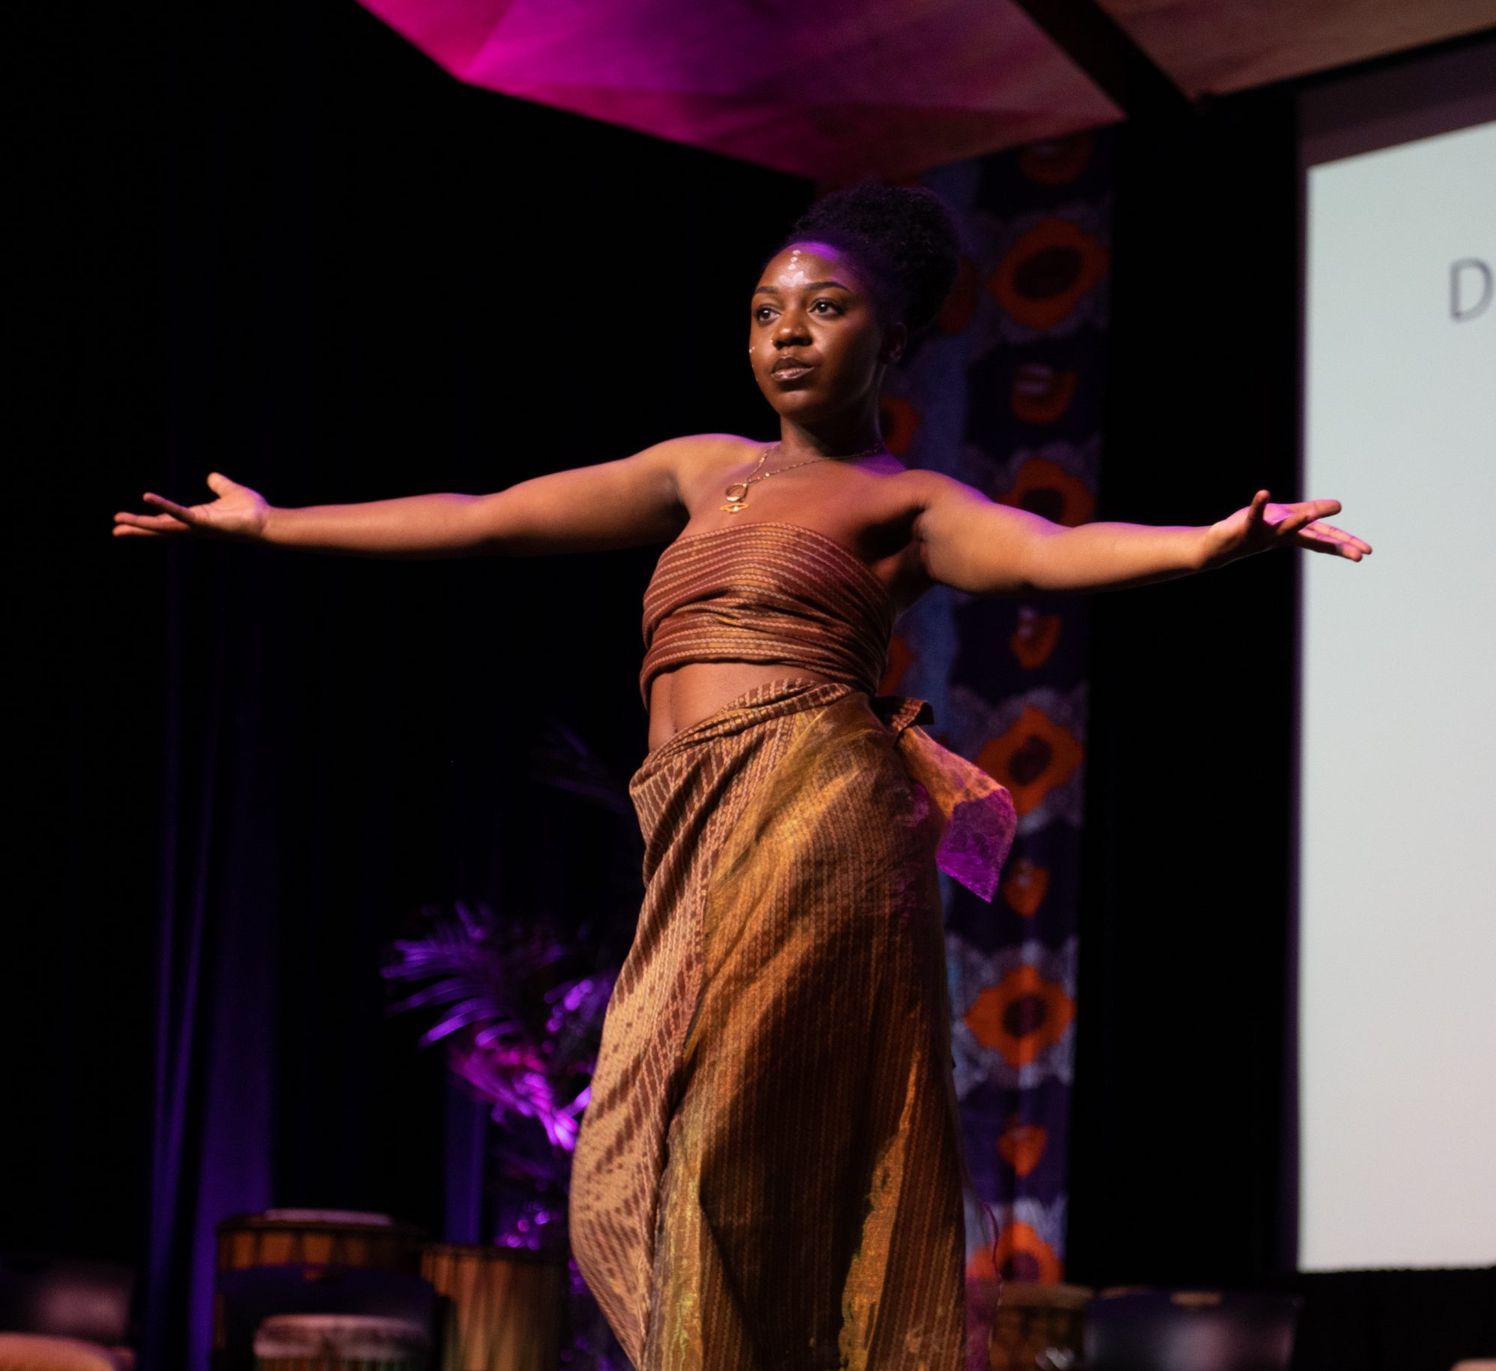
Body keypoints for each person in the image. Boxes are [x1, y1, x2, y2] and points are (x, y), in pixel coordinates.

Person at [113, 183, 1371, 1371]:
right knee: (630, 1160)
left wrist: (1207, 547)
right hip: (692, 831)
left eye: (826, 308)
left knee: (720, 1143)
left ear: (895, 340)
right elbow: (487, 515)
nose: (788, 333)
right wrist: (275, 526)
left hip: (817, 812)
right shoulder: (695, 468)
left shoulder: (905, 501)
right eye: (767, 310)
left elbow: (1047, 550)